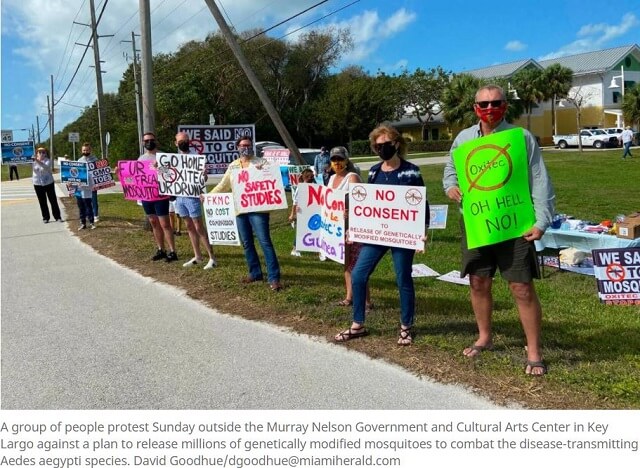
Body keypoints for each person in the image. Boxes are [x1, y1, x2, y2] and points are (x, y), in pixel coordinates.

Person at [442, 84, 555, 376]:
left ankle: (534, 351)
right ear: (474, 108)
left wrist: (541, 221)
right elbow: (451, 169)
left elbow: (540, 179)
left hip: (514, 224)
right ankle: (485, 337)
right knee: (479, 282)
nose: (489, 109)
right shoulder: (464, 139)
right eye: (483, 104)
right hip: (477, 224)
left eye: (495, 103)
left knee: (521, 286)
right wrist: (451, 186)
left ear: (505, 105)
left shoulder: (520, 138)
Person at [335, 124, 428, 345]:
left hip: (403, 235)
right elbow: (369, 201)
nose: (382, 149)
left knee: (403, 277)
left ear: (396, 143)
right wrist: (354, 219)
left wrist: (421, 233)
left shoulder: (411, 171)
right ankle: (357, 323)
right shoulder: (374, 171)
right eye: (377, 146)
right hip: (376, 235)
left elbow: (422, 204)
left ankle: (406, 326)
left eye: (386, 145)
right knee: (358, 274)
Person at [209, 136, 282, 291]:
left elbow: (273, 178)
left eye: (248, 145)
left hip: (258, 210)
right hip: (240, 210)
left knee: (265, 242)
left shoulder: (261, 163)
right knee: (247, 243)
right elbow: (223, 185)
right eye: (242, 145)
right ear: (237, 147)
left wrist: (266, 172)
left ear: (252, 147)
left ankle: (274, 277)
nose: (245, 148)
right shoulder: (233, 166)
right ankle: (255, 273)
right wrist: (209, 196)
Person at [326, 146, 372, 310]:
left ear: (346, 160)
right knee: (346, 263)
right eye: (334, 159)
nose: (337, 163)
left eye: (340, 159)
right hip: (337, 226)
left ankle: (367, 301)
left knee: (358, 264)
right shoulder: (331, 179)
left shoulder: (352, 177)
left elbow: (362, 203)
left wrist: (350, 211)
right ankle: (349, 297)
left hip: (353, 227)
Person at [173, 132, 217, 270]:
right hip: (179, 196)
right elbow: (168, 176)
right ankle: (197, 256)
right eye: (180, 141)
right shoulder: (173, 158)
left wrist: (204, 176)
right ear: (176, 143)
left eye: (185, 140)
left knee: (198, 226)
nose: (183, 143)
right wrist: (159, 168)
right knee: (189, 226)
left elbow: (202, 179)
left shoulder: (196, 157)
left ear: (189, 142)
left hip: (193, 196)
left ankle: (212, 257)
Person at [138, 132, 178, 263]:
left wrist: (160, 167)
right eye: (146, 141)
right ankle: (161, 249)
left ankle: (173, 251)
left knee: (165, 224)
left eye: (151, 140)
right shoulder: (141, 159)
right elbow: (135, 178)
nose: (149, 142)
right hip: (147, 196)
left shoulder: (163, 156)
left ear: (156, 141)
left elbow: (170, 176)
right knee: (154, 223)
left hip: (161, 195)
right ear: (143, 143)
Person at [288, 168, 315, 256]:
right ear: (305, 178)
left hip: (311, 211)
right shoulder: (301, 187)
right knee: (300, 231)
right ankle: (295, 249)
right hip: (302, 212)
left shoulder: (314, 186)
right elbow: (295, 201)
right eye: (310, 177)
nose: (311, 178)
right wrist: (292, 214)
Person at [31, 147, 62, 223]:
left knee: (53, 200)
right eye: (40, 152)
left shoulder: (48, 161)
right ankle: (45, 217)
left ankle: (57, 217)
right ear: (36, 153)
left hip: (48, 183)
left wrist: (37, 160)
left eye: (43, 152)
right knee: (42, 201)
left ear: (46, 154)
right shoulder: (32, 161)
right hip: (37, 183)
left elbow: (45, 167)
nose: (41, 154)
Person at [80, 143, 100, 222]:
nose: (85, 151)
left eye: (87, 150)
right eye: (84, 150)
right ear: (82, 151)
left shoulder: (95, 159)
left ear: (90, 150)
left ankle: (95, 215)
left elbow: (99, 171)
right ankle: (88, 214)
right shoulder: (79, 160)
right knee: (85, 200)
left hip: (93, 183)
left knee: (94, 199)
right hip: (83, 184)